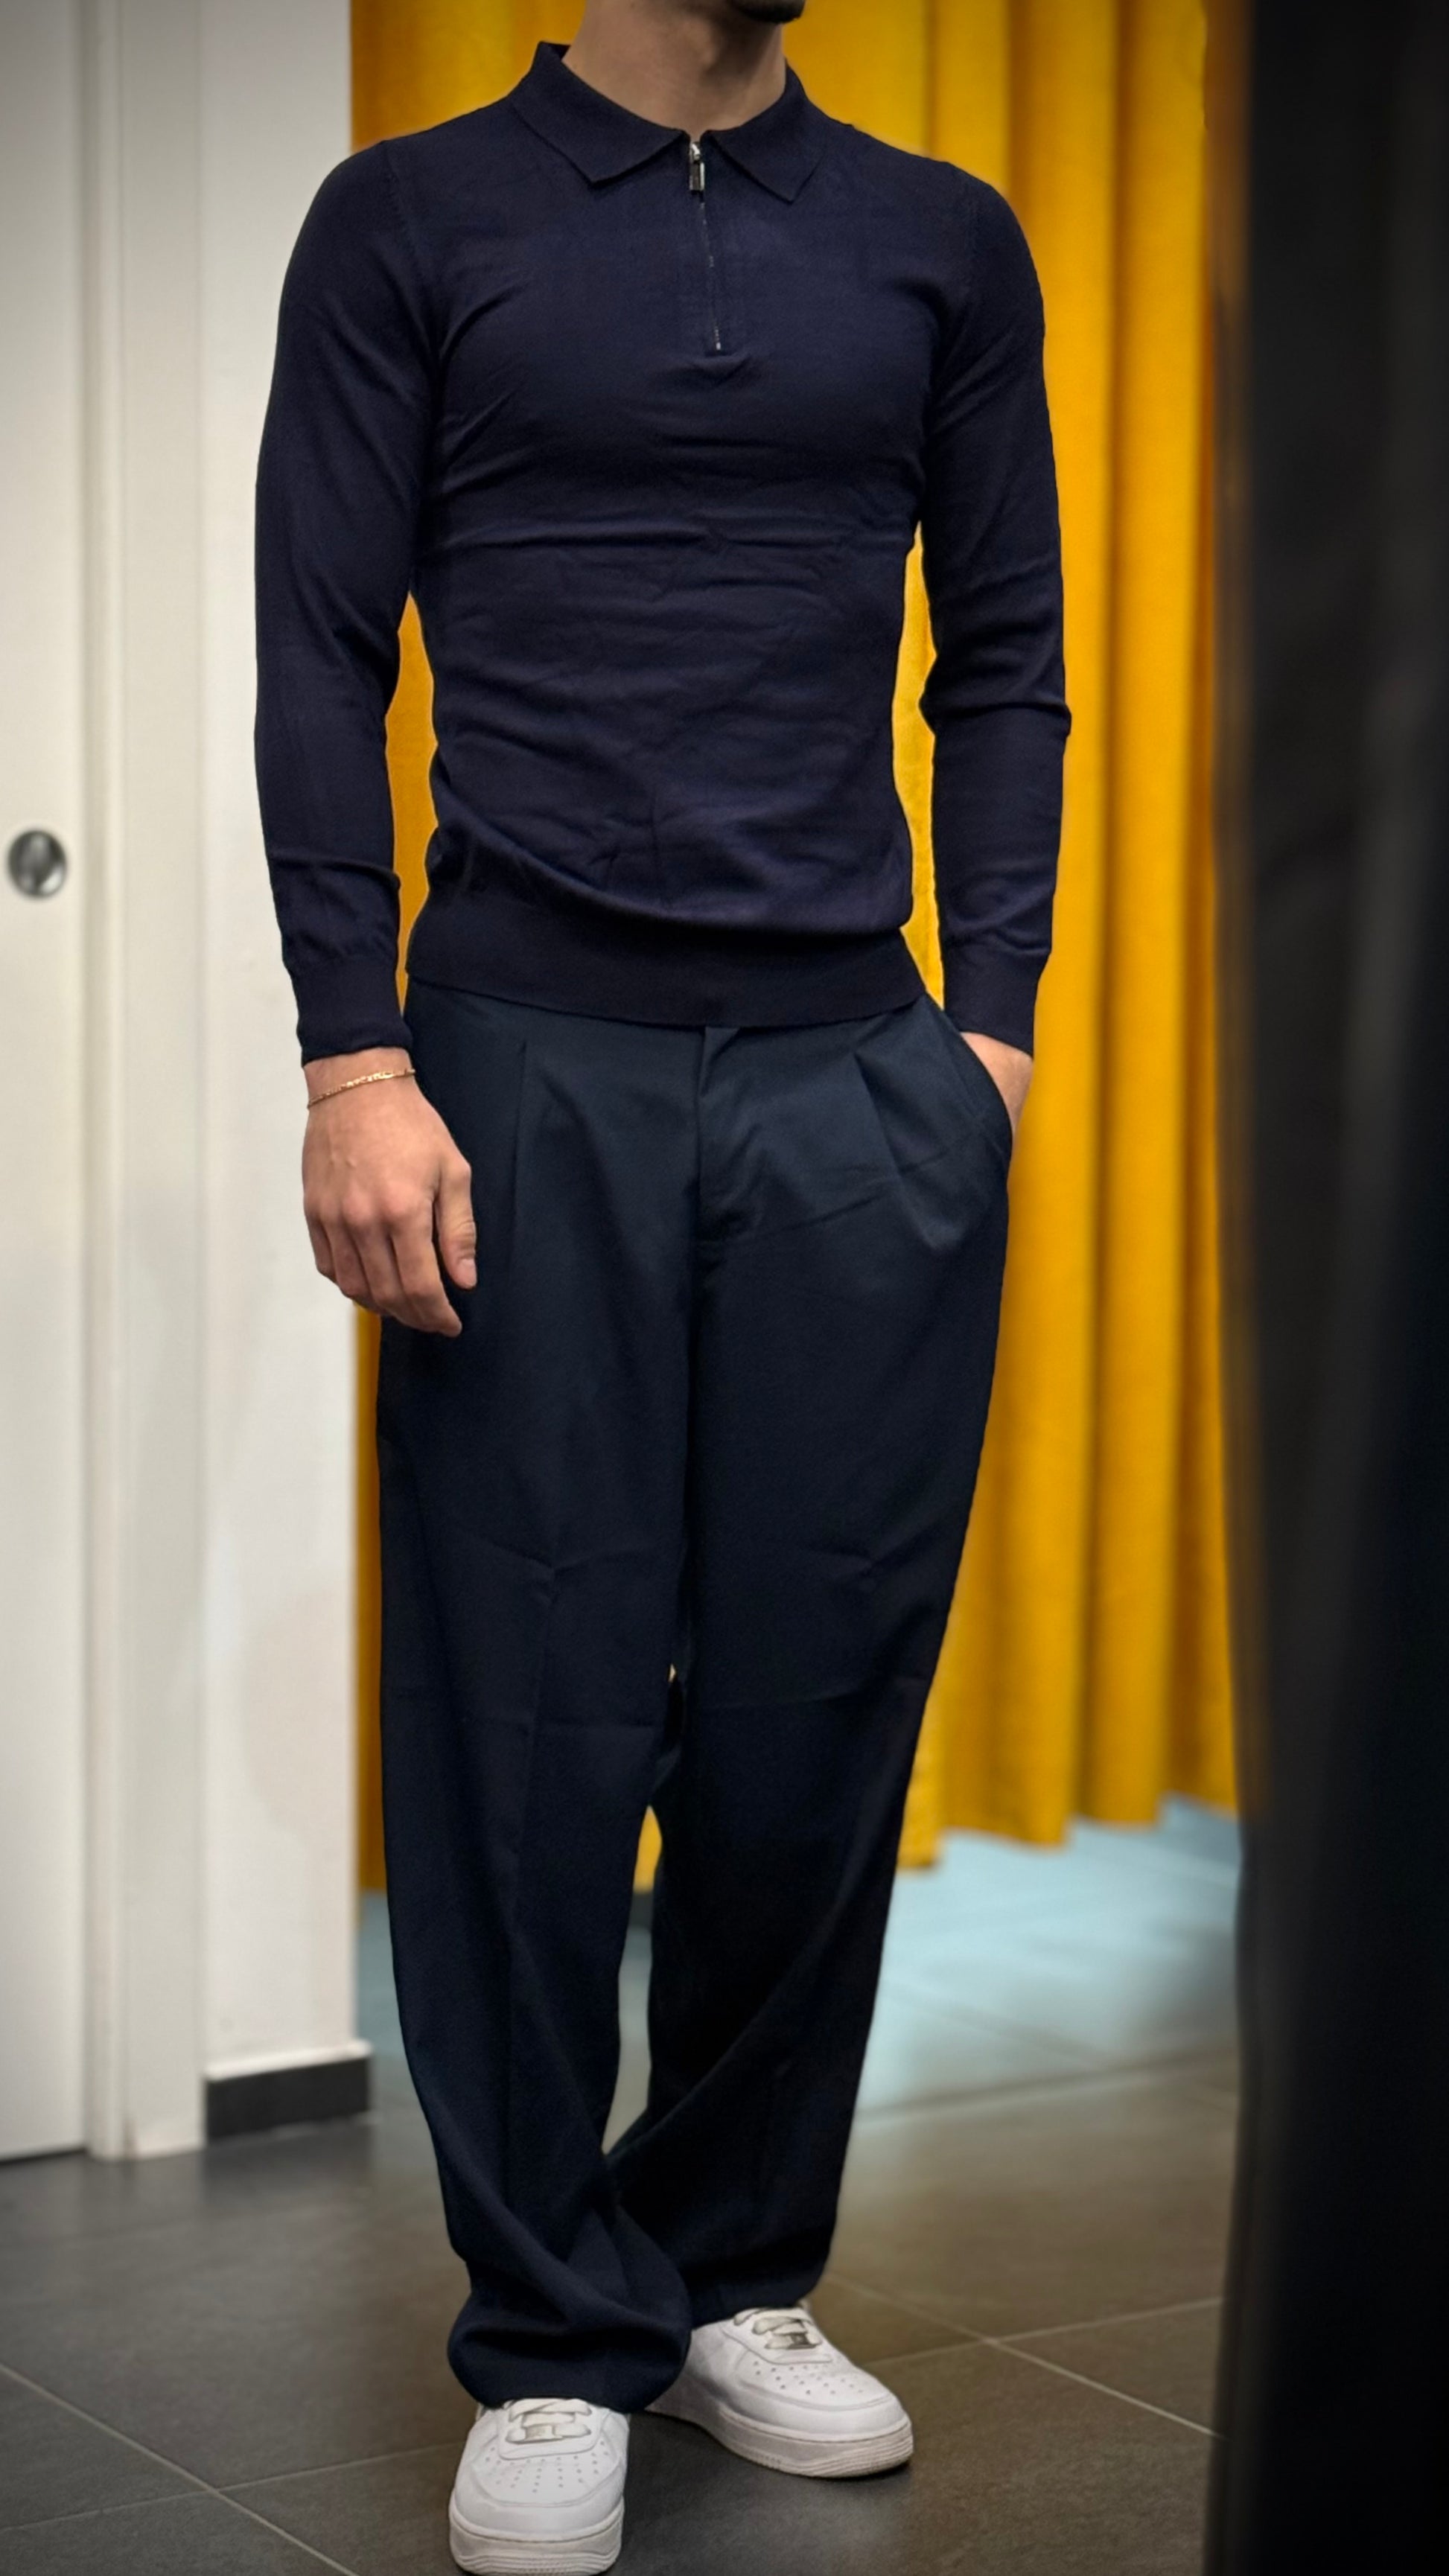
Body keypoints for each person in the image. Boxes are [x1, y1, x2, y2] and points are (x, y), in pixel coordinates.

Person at [255, 0, 1066, 2566]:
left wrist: (988, 1034)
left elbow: (1005, 653)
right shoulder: (409, 221)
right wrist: (353, 1056)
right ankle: (546, 2324)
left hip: (858, 1071)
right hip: (523, 1058)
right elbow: (318, 649)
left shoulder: (939, 240)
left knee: (814, 1705)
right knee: (527, 1704)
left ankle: (726, 2268)